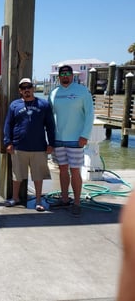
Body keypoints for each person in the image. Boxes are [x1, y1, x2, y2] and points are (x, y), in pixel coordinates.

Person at [3, 78, 55, 211]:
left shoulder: (44, 104)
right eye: (23, 88)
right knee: (17, 175)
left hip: (39, 147)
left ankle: (38, 200)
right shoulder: (14, 105)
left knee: (38, 176)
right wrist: (7, 142)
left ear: (33, 88)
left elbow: (50, 125)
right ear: (20, 91)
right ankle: (15, 198)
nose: (26, 90)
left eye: (29, 87)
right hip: (19, 146)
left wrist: (51, 143)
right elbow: (8, 124)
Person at [48, 65, 94, 216]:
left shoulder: (82, 91)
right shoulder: (54, 93)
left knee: (75, 171)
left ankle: (77, 202)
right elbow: (49, 117)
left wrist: (85, 135)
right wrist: (49, 139)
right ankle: (65, 198)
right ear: (59, 76)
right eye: (63, 74)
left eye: (68, 74)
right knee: (62, 170)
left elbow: (89, 115)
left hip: (76, 140)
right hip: (58, 139)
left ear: (72, 76)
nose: (65, 76)